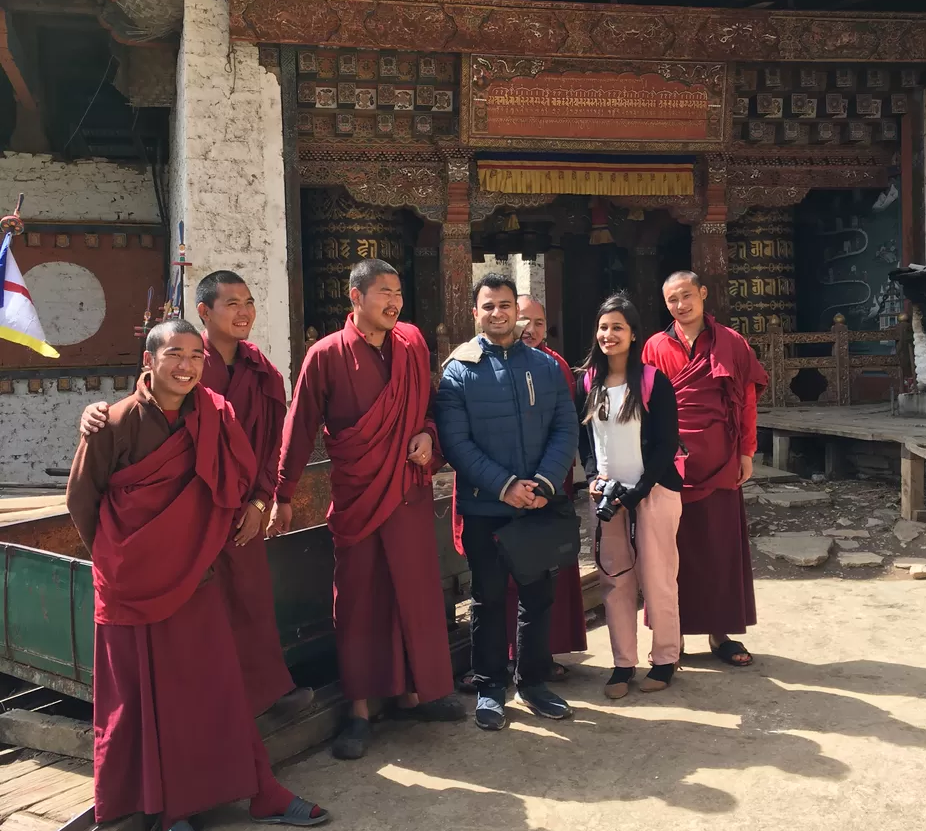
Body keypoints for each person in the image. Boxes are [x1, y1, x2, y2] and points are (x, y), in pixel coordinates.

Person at [67, 319, 327, 831]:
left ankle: (259, 790)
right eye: (174, 355)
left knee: (216, 688)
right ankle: (171, 810)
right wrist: (127, 558)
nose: (186, 366)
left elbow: (239, 476)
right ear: (149, 360)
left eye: (193, 355)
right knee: (154, 699)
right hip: (134, 584)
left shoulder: (215, 412)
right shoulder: (112, 422)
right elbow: (82, 501)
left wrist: (250, 510)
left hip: (197, 574)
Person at [80, 271, 311, 723]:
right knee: (196, 608)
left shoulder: (263, 372)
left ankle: (262, 690)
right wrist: (92, 415)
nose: (244, 312)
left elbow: (271, 448)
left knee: (248, 598)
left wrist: (262, 502)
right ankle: (207, 704)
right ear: (205, 312)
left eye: (249, 302)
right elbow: (145, 421)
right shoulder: (179, 361)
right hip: (187, 507)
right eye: (232, 304)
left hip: (241, 508)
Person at [269, 258, 464, 761]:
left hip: (408, 492)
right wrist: (283, 494)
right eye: (383, 292)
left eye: (398, 292)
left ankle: (415, 692)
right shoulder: (325, 355)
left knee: (415, 593)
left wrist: (426, 433)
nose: (394, 301)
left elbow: (426, 405)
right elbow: (299, 425)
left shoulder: (413, 344)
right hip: (357, 495)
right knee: (358, 600)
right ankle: (358, 708)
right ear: (355, 297)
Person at [435, 273, 579, 732]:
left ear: (515, 311)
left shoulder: (544, 365)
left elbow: (565, 426)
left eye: (504, 305)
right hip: (486, 507)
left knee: (537, 599)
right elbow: (457, 444)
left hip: (537, 502)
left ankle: (533, 683)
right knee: (488, 599)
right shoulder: (458, 371)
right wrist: (505, 486)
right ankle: (490, 688)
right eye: (488, 306)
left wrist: (542, 481)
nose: (498, 313)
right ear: (474, 313)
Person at [642, 271, 768, 667]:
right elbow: (644, 407)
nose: (680, 305)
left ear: (702, 294)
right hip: (670, 463)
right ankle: (671, 635)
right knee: (670, 550)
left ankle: (720, 633)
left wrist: (747, 451)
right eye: (671, 300)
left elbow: (746, 399)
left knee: (718, 548)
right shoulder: (654, 346)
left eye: (686, 296)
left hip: (719, 459)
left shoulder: (731, 342)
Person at [576, 295, 683, 697]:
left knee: (658, 579)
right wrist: (592, 477)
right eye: (603, 328)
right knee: (614, 580)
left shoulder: (654, 381)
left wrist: (638, 491)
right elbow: (585, 441)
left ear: (634, 334)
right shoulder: (588, 382)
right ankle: (623, 664)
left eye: (617, 327)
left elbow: (665, 443)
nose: (608, 335)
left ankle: (666, 657)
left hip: (652, 492)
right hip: (607, 497)